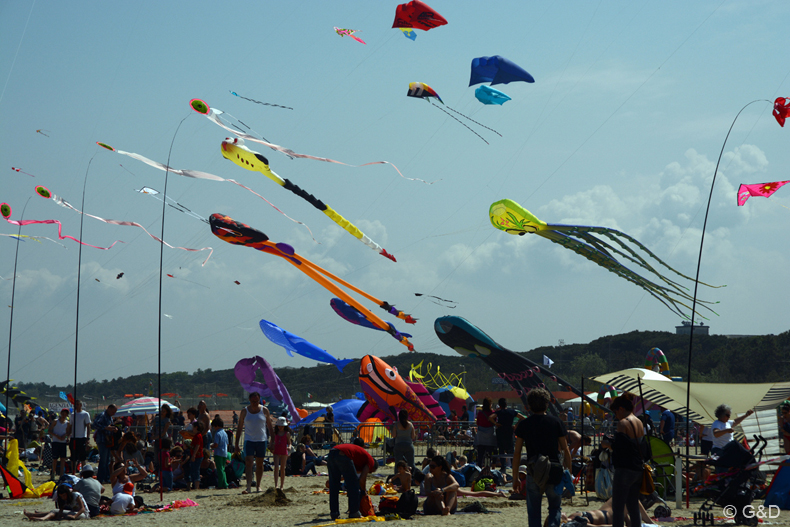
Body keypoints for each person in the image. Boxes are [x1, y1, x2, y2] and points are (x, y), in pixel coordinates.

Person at [513, 388, 571, 527]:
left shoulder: (524, 424)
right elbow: (565, 449)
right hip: (554, 469)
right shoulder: (556, 422)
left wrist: (515, 477)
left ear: (529, 405)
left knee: (533, 511)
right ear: (547, 403)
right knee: (555, 508)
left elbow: (517, 453)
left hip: (534, 469)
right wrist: (569, 472)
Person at [603, 396, 645, 527]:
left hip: (625, 469)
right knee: (633, 506)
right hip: (638, 468)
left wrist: (607, 444)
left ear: (621, 408)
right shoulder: (639, 421)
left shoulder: (623, 423)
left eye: (615, 412)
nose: (616, 415)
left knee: (618, 508)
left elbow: (621, 448)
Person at [327, 437, 376, 520]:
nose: (368, 472)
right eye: (370, 472)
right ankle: (354, 512)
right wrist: (364, 491)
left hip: (332, 453)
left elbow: (348, 473)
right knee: (354, 485)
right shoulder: (370, 461)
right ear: (372, 467)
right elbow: (361, 479)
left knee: (334, 485)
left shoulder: (359, 459)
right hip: (343, 454)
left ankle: (334, 513)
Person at [235, 391, 273, 494]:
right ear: (249, 400)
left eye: (257, 401)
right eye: (253, 401)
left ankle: (258, 485)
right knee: (249, 462)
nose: (255, 403)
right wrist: (236, 444)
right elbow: (239, 428)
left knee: (260, 464)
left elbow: (269, 426)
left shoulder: (264, 410)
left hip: (261, 440)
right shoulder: (245, 411)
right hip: (249, 440)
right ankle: (248, 486)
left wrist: (272, 441)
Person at [24, 483, 89, 521]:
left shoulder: (76, 495)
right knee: (55, 512)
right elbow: (61, 510)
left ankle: (42, 518)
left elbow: (83, 509)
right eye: (61, 496)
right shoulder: (62, 499)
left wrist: (75, 516)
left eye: (64, 495)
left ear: (67, 493)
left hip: (83, 514)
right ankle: (36, 515)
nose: (63, 497)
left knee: (55, 511)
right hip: (73, 512)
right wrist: (59, 516)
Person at [491, 398, 525, 471]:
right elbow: (522, 417)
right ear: (506, 404)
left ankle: (503, 467)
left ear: (499, 405)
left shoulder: (499, 412)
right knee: (511, 450)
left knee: (501, 450)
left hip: (501, 432)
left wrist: (496, 423)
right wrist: (516, 425)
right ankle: (514, 466)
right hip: (509, 432)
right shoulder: (512, 411)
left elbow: (490, 417)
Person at [91, 404, 118, 483]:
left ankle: (106, 477)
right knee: (103, 460)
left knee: (107, 460)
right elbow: (95, 424)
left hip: (108, 440)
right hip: (102, 440)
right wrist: (106, 427)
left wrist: (114, 428)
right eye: (113, 411)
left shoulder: (109, 417)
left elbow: (109, 426)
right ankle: (101, 478)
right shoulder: (102, 415)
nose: (114, 413)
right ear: (109, 409)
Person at [70, 400, 91, 475]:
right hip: (73, 437)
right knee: (73, 457)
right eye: (76, 405)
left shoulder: (85, 414)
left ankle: (84, 472)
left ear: (81, 405)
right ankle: (73, 472)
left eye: (78, 404)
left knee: (82, 457)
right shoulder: (72, 415)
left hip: (82, 437)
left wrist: (87, 438)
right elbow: (71, 426)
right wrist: (68, 436)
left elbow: (88, 426)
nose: (77, 406)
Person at [50, 408, 72, 480]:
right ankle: (53, 473)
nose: (64, 415)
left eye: (65, 414)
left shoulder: (67, 423)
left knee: (63, 459)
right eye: (63, 413)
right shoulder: (55, 421)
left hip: (63, 442)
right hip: (56, 442)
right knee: (55, 459)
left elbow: (68, 432)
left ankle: (61, 474)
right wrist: (56, 436)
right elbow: (49, 430)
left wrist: (66, 436)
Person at [476, 398, 497, 467]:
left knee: (480, 455)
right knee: (489, 454)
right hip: (490, 436)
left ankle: (479, 469)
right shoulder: (493, 413)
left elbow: (478, 423)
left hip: (481, 436)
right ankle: (487, 469)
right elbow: (495, 422)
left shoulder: (480, 413)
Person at [272, 416, 291, 490]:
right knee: (276, 467)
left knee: (282, 468)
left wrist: (289, 447)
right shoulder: (275, 433)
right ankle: (276, 484)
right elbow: (272, 441)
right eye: (279, 425)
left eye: (282, 425)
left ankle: (281, 485)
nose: (280, 427)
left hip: (283, 451)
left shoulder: (287, 433)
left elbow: (289, 442)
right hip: (276, 451)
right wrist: (271, 446)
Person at [210, 417, 229, 489]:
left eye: (214, 426)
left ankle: (221, 484)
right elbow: (227, 444)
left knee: (219, 469)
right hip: (224, 453)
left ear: (216, 425)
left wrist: (212, 446)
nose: (214, 428)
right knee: (223, 469)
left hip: (218, 453)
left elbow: (216, 444)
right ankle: (224, 483)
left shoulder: (217, 434)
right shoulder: (225, 433)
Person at [189, 420, 205, 490]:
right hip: (196, 455)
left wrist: (194, 455)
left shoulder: (198, 436)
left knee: (196, 470)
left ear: (196, 427)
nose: (192, 429)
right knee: (194, 470)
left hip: (197, 456)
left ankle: (196, 486)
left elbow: (198, 445)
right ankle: (195, 485)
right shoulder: (196, 435)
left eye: (193, 427)